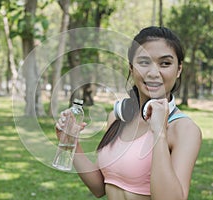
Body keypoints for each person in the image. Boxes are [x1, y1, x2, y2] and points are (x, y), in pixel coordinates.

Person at [55, 26, 202, 200]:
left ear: (178, 70)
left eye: (165, 63)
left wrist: (159, 133)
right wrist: (72, 142)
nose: (153, 73)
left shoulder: (184, 129)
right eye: (144, 62)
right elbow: (100, 187)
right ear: (131, 68)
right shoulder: (118, 117)